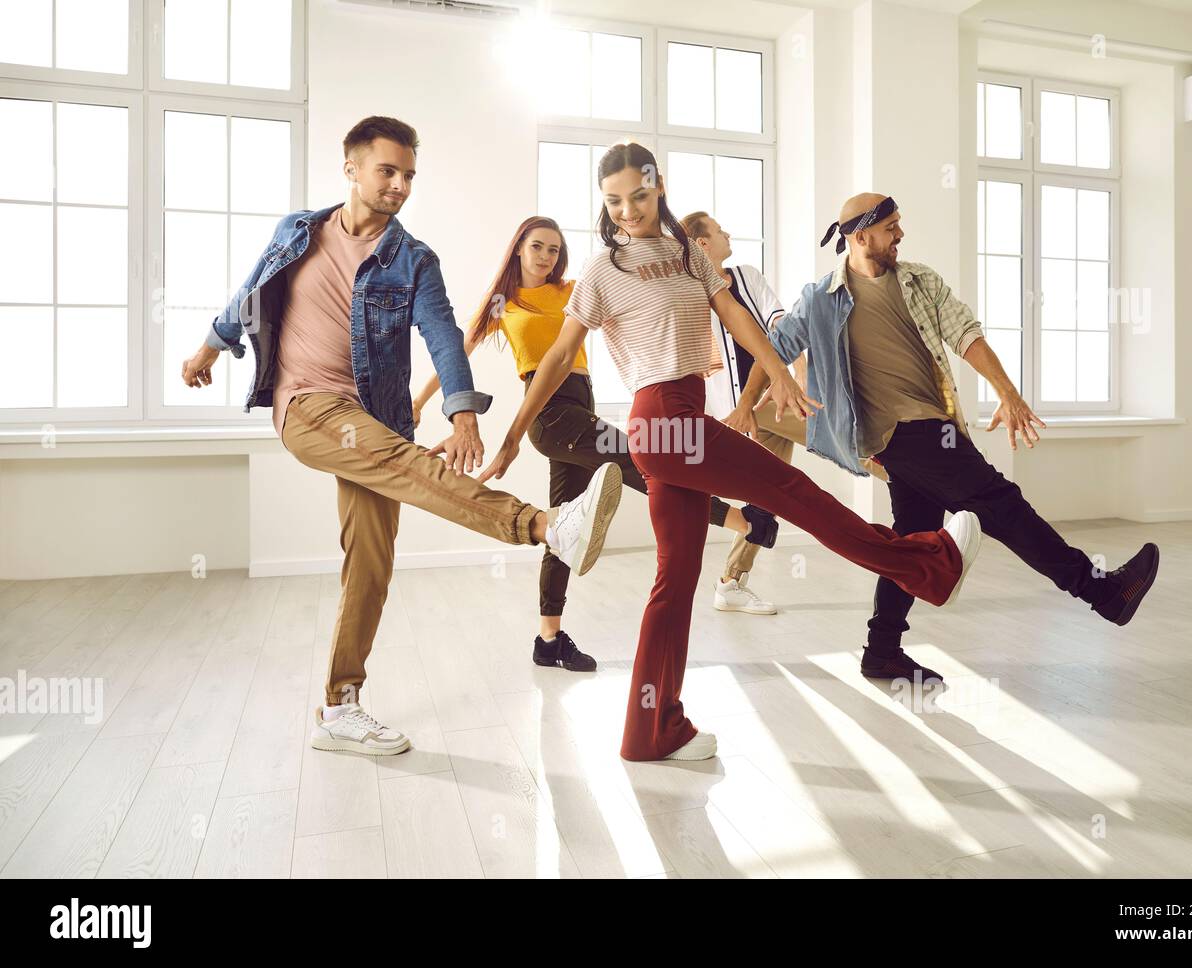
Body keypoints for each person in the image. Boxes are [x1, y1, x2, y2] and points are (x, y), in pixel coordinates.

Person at [476, 143, 982, 762]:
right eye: (614, 201)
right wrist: (508, 438)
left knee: (675, 580)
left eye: (638, 195)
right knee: (797, 495)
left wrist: (778, 373)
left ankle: (650, 730)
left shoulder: (689, 256)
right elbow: (556, 359)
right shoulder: (603, 269)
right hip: (662, 420)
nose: (628, 210)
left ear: (658, 187)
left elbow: (738, 317)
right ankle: (925, 566)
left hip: (678, 421)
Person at [180, 117, 623, 757]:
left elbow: (444, 334)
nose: (399, 185)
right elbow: (250, 295)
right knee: (402, 460)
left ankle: (340, 707)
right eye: (387, 171)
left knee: (371, 561)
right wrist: (207, 350)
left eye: (409, 175)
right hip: (305, 405)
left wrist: (464, 411)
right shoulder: (298, 232)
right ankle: (543, 526)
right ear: (352, 168)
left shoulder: (413, 259)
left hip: (376, 417)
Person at [736, 192, 1160, 685]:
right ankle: (1102, 592)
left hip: (934, 425)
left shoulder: (919, 280)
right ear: (860, 236)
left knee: (913, 540)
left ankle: (882, 649)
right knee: (1001, 503)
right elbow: (774, 349)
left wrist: (1007, 391)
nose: (900, 234)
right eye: (891, 226)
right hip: (899, 433)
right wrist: (747, 404)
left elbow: (965, 333)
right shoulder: (820, 300)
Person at [411, 216, 778, 672]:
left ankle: (548, 640)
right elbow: (453, 353)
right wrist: (420, 402)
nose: (546, 256)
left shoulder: (571, 291)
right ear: (518, 249)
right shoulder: (503, 304)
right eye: (537, 247)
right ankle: (742, 520)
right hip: (550, 414)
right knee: (641, 460)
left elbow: (635, 307)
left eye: (553, 249)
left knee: (563, 525)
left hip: (580, 404)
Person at [683, 210, 802, 615]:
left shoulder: (747, 276)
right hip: (736, 409)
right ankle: (922, 486)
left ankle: (731, 583)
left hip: (772, 394)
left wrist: (799, 372)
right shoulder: (691, 295)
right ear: (702, 244)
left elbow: (780, 324)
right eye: (718, 230)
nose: (727, 232)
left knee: (768, 488)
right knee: (842, 439)